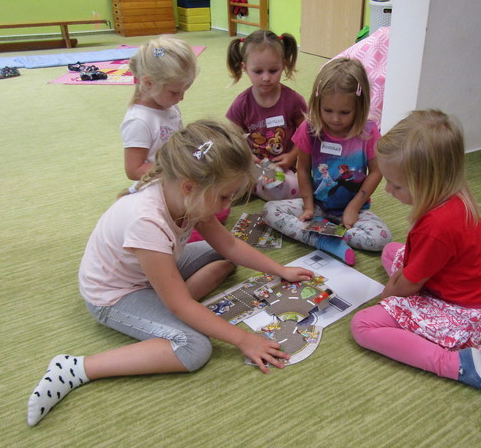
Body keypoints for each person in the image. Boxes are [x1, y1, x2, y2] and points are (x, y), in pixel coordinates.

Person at [27, 120, 314, 426]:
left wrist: (280, 269)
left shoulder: (187, 194)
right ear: (190, 187)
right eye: (224, 197)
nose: (227, 205)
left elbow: (228, 244)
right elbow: (180, 306)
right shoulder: (146, 222)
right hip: (113, 296)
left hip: (151, 268)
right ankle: (77, 367)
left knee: (224, 257)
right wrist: (244, 339)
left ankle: (163, 301)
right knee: (195, 348)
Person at [351, 109, 481, 399]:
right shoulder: (453, 192)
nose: (388, 190)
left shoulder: (436, 226)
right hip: (475, 298)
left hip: (462, 312)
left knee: (363, 324)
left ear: (427, 182)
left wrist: (387, 298)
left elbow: (407, 285)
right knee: (391, 251)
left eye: (396, 185)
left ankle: (456, 365)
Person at [262, 58, 391, 265]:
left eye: (345, 112)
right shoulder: (309, 129)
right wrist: (308, 207)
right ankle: (325, 240)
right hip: (317, 205)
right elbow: (303, 169)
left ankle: (324, 233)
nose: (335, 119)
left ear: (359, 106)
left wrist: (353, 207)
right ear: (317, 103)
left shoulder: (368, 131)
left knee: (381, 238)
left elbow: (376, 172)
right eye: (328, 110)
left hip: (354, 209)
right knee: (269, 211)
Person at [226, 30, 307, 201]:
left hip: (282, 168)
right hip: (252, 167)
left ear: (283, 65)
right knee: (221, 177)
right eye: (258, 71)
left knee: (296, 187)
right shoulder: (242, 103)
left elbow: (307, 132)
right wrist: (248, 157)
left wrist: (292, 155)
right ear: (245, 68)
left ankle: (255, 187)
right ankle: (252, 185)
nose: (266, 78)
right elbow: (231, 138)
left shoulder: (293, 100)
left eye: (273, 70)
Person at [121, 35, 197, 181]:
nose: (181, 98)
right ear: (149, 83)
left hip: (176, 180)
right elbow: (134, 170)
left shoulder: (170, 106)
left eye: (184, 90)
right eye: (175, 92)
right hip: (157, 185)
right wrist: (176, 169)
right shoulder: (139, 121)